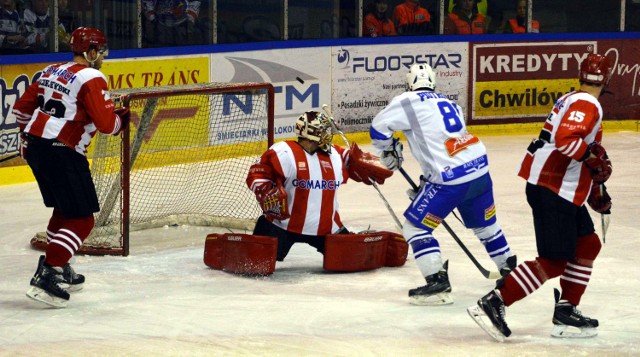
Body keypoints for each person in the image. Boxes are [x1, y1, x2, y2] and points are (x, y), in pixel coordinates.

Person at [467, 53, 613, 341]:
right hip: (552, 188)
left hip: (560, 189)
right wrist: (592, 160)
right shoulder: (587, 103)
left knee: (588, 244)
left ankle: (566, 310)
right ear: (607, 79)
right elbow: (567, 140)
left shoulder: (573, 99)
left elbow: (581, 145)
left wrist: (596, 184)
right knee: (555, 260)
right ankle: (495, 301)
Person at [369, 63, 516, 305]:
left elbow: (378, 129)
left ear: (409, 84)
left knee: (416, 229)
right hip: (479, 171)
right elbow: (448, 145)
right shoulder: (451, 104)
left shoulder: (407, 100)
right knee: (486, 226)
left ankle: (437, 282)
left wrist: (389, 149)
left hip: (449, 182)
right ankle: (510, 268)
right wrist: (428, 184)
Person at [12, 27, 130, 308]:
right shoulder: (92, 76)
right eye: (100, 51)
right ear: (90, 52)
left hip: (38, 148)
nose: (102, 56)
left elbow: (20, 111)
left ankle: (59, 263)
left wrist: (28, 137)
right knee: (82, 220)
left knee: (65, 211)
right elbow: (105, 125)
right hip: (63, 151)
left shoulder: (51, 70)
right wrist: (121, 119)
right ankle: (50, 272)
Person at [246, 111, 392, 263]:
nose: (325, 134)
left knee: (352, 261)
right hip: (281, 226)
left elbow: (355, 161)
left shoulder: (335, 154)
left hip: (327, 229)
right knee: (255, 264)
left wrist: (376, 163)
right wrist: (266, 192)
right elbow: (257, 175)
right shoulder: (283, 152)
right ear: (310, 133)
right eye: (321, 130)